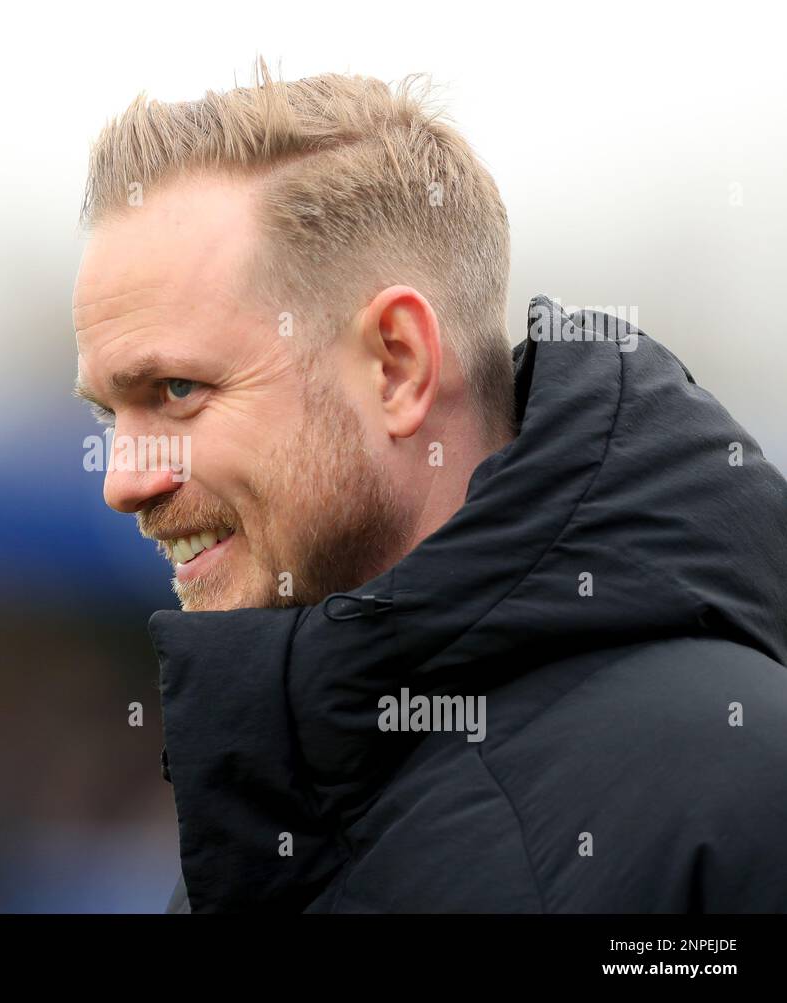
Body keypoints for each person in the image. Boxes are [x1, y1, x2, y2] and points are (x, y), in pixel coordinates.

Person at [71, 64, 787, 912]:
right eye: (110, 413)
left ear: (399, 366)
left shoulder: (740, 794)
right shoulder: (260, 825)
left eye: (178, 391)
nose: (122, 481)